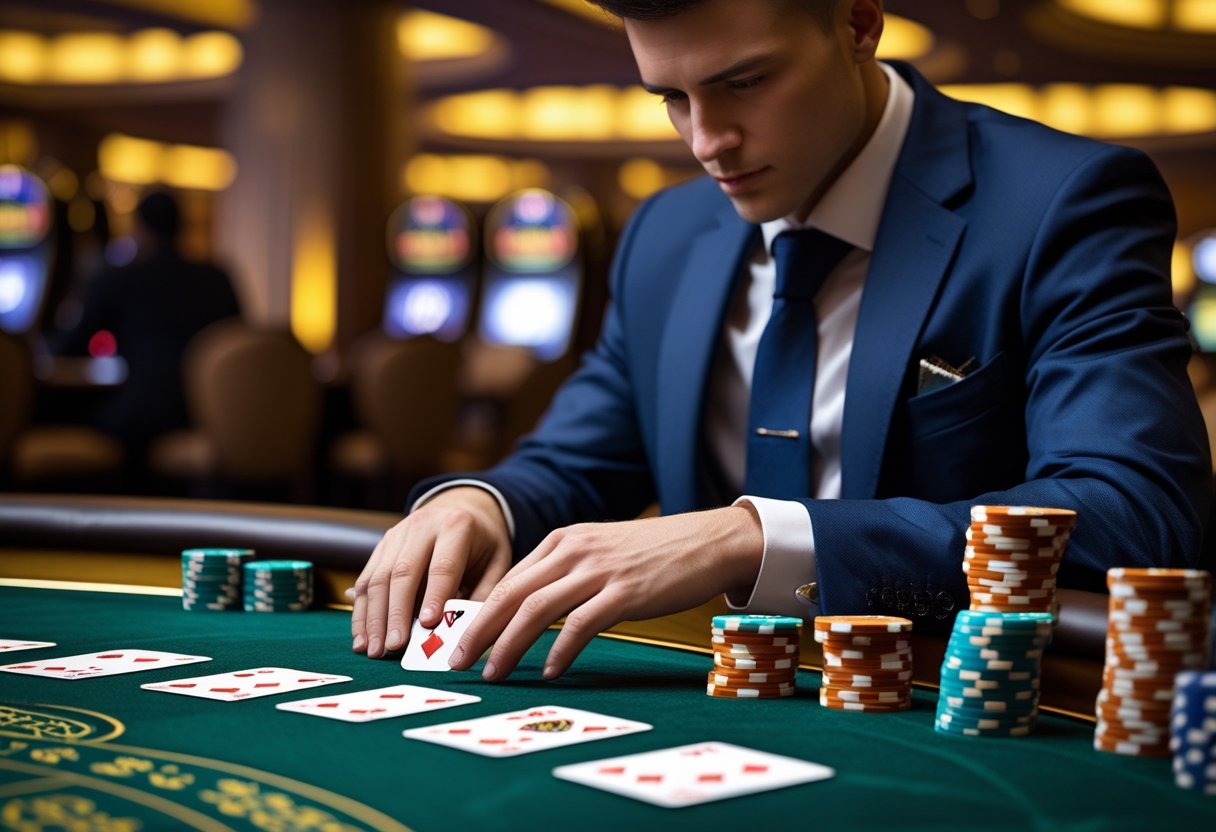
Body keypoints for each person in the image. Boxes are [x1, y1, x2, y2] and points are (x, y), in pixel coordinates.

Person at [352, 0, 1211, 680]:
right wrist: (478, 503)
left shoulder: (1062, 200)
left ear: (858, 21)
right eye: (672, 99)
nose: (706, 141)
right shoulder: (665, 234)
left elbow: (1136, 512)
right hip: (708, 694)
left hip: (947, 711)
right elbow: (576, 463)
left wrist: (754, 538)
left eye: (746, 82)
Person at [54, 189, 242, 483]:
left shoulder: (117, 277)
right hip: (207, 415)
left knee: (79, 424)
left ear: (138, 228)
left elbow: (66, 349)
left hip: (141, 417)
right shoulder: (218, 278)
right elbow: (238, 348)